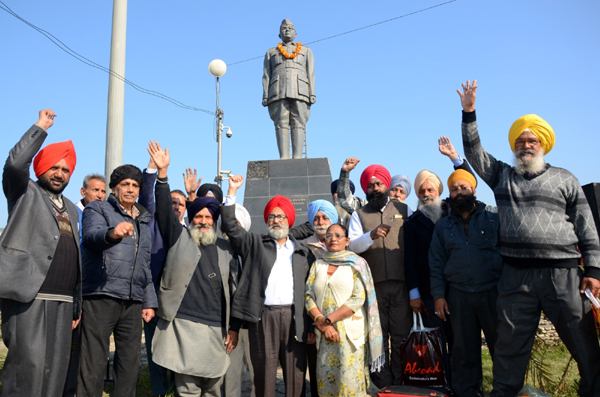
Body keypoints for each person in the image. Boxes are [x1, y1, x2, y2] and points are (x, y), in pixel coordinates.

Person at [458, 79, 600, 396]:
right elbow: (474, 152)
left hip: (563, 275)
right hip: (515, 277)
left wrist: (593, 271)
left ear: (543, 145)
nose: (526, 145)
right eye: (520, 141)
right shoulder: (502, 177)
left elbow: (585, 224)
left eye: (532, 140)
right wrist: (469, 113)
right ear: (514, 147)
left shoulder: (565, 178)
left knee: (584, 344)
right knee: (508, 351)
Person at [145, 141, 240, 397]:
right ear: (191, 218)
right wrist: (162, 175)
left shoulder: (225, 248)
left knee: (213, 387)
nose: (204, 221)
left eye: (209, 217)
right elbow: (164, 211)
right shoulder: (179, 236)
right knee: (186, 388)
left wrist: (233, 328)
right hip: (183, 324)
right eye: (199, 216)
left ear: (214, 221)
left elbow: (233, 289)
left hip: (215, 328)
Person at [0, 109, 81, 396]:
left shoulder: (71, 208)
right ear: (41, 169)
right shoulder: (24, 192)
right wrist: (40, 128)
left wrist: (76, 303)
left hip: (63, 300)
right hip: (29, 296)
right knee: (27, 370)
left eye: (65, 170)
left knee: (54, 374)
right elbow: (13, 165)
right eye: (54, 168)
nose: (60, 174)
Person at [221, 175, 316, 397]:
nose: (276, 220)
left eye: (281, 216)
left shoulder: (302, 251)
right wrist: (232, 191)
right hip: (263, 318)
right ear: (266, 221)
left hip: (295, 319)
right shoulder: (255, 244)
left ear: (289, 220)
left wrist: (310, 326)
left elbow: (311, 292)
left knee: (295, 377)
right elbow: (231, 227)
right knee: (263, 376)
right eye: (272, 216)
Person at [78, 164, 157, 397]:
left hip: (132, 300)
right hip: (101, 294)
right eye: (125, 184)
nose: (130, 189)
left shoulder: (143, 219)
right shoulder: (97, 208)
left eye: (135, 185)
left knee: (130, 364)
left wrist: (149, 300)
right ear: (114, 188)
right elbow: (91, 238)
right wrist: (113, 233)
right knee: (93, 362)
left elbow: (144, 264)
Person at [429, 169, 502, 396]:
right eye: (454, 189)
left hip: (492, 292)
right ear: (449, 194)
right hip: (459, 295)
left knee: (501, 347)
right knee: (463, 351)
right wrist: (439, 296)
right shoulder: (442, 226)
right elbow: (436, 262)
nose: (459, 192)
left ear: (473, 190)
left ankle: (505, 391)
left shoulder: (494, 218)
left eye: (463, 187)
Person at [347, 164, 410, 387]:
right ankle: (383, 384)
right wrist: (370, 235)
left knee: (402, 336)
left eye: (379, 184)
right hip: (373, 287)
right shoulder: (359, 214)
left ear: (386, 185)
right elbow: (353, 246)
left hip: (401, 285)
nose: (375, 188)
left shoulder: (404, 209)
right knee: (377, 337)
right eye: (371, 185)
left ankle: (402, 383)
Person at [305, 224, 384, 396]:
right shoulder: (317, 264)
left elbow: (357, 298)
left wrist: (328, 320)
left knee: (349, 384)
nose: (333, 239)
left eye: (338, 235)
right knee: (327, 382)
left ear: (347, 241)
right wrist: (323, 323)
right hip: (324, 335)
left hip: (349, 335)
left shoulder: (357, 264)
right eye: (329, 235)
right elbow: (308, 296)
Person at [138, 157, 188, 396]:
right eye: (172, 202)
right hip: (156, 299)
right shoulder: (153, 224)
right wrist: (155, 171)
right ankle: (161, 391)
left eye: (181, 203)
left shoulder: (192, 231)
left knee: (180, 350)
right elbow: (146, 197)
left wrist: (193, 194)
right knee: (156, 350)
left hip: (185, 303)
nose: (176, 206)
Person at [262, 19, 316, 159]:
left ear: (296, 33)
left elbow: (311, 73)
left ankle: (298, 157)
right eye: (284, 28)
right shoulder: (271, 52)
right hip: (278, 90)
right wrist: (265, 95)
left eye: (290, 28)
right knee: (281, 122)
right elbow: (266, 75)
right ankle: (284, 157)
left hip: (300, 90)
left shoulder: (306, 51)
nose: (287, 30)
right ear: (279, 34)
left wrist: (312, 92)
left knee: (298, 121)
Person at [301, 199, 339, 397]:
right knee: (317, 371)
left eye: (325, 217)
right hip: (315, 320)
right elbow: (305, 292)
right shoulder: (304, 249)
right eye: (316, 218)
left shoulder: (344, 248)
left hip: (341, 320)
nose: (321, 221)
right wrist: (311, 325)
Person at [223, 203, 256, 397]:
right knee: (231, 374)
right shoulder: (219, 251)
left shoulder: (255, 250)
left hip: (252, 324)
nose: (232, 230)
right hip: (229, 324)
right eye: (229, 225)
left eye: (236, 224)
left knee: (256, 374)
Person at [337, 157, 413, 217]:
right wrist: (345, 172)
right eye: (394, 190)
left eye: (402, 192)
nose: (397, 195)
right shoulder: (365, 208)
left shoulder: (408, 213)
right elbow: (345, 200)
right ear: (387, 188)